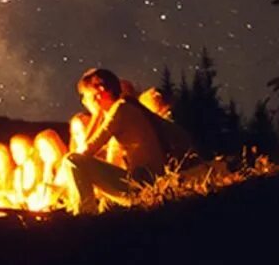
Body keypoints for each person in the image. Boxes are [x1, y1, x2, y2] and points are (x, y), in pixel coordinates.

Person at [62, 67, 191, 215]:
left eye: (86, 96)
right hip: (147, 182)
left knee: (72, 160)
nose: (85, 102)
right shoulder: (128, 107)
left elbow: (86, 152)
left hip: (142, 185)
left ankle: (84, 216)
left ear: (101, 91)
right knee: (106, 204)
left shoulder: (120, 110)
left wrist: (97, 114)